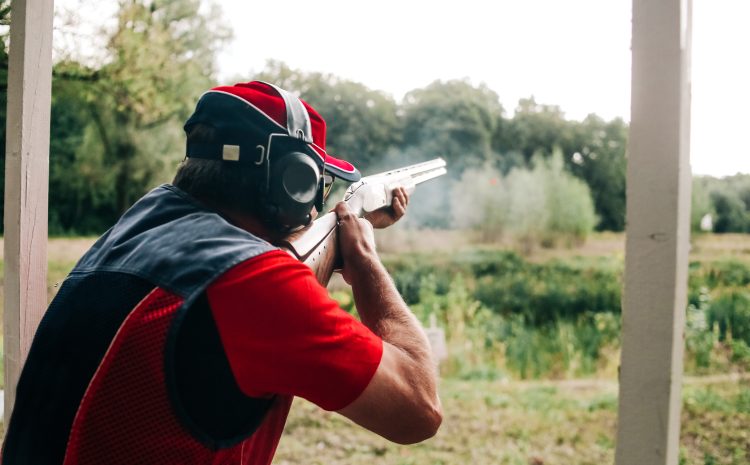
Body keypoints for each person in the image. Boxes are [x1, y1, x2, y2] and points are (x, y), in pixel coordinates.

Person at [1, 81, 442, 465]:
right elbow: (418, 408)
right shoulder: (253, 281)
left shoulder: (128, 235)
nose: (315, 208)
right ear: (294, 182)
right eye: (317, 187)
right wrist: (364, 259)